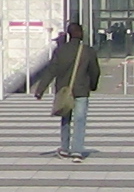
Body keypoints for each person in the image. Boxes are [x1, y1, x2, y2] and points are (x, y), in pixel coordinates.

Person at [32, 19, 101, 159]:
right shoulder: (88, 51)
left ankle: (64, 148)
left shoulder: (61, 51)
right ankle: (77, 150)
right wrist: (92, 85)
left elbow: (51, 71)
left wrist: (40, 89)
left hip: (63, 90)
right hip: (81, 91)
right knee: (80, 120)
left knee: (65, 118)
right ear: (80, 34)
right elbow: (95, 71)